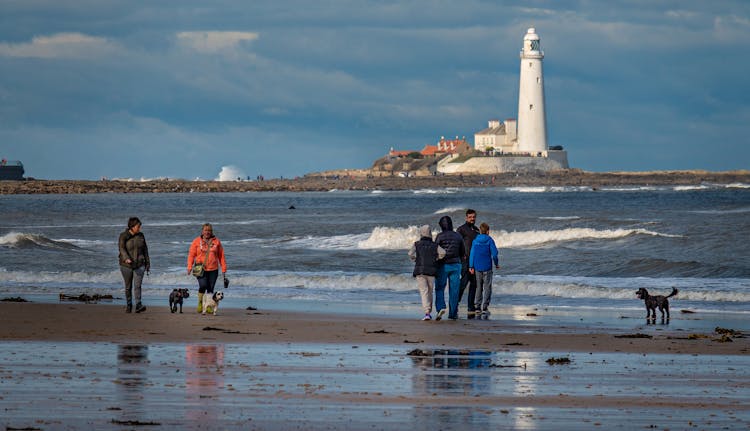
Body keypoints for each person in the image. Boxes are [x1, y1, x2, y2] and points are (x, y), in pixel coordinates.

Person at [187, 223, 228, 313]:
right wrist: (189, 266)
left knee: (210, 288)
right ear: (202, 231)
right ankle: (200, 302)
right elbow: (191, 255)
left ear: (211, 231)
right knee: (203, 285)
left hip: (213, 269)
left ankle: (209, 306)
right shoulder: (196, 241)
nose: (207, 232)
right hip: (200, 268)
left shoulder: (216, 241)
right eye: (205, 230)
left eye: (209, 230)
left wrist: (224, 268)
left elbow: (221, 256)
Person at [408, 225, 446, 321]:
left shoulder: (417, 244)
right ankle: (429, 311)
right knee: (430, 291)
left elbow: (410, 254)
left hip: (420, 271)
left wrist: (416, 260)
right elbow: (443, 253)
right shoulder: (435, 245)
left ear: (421, 233)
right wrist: (436, 258)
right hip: (432, 271)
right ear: (430, 233)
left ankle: (427, 313)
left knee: (424, 292)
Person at [434, 215, 466, 320]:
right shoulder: (458, 236)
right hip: (456, 265)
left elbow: (435, 250)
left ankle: (440, 308)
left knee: (439, 288)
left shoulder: (440, 236)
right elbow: (463, 252)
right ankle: (453, 313)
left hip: (443, 265)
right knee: (454, 290)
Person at [118, 217, 150, 313]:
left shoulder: (141, 236)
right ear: (132, 226)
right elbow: (121, 248)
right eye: (138, 226)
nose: (139, 228)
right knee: (128, 287)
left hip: (140, 264)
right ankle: (129, 305)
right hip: (126, 265)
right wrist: (126, 258)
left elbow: (145, 250)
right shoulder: (123, 236)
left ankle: (138, 305)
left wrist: (148, 263)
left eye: (140, 226)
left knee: (138, 285)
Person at [469, 222, 500, 316]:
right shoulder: (490, 240)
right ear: (487, 231)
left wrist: (471, 266)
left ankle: (477, 307)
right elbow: (494, 254)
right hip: (487, 267)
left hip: (477, 267)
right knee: (487, 287)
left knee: (479, 287)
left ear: (480, 230)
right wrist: (496, 263)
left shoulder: (475, 240)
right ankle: (485, 307)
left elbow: (472, 254)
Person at [457, 209, 480, 317]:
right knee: (463, 283)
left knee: (474, 284)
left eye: (474, 217)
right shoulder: (461, 229)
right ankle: (455, 303)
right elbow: (457, 243)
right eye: (470, 217)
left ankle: (471, 306)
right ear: (466, 217)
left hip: (475, 261)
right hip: (465, 260)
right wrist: (461, 256)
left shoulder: (476, 229)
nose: (472, 219)